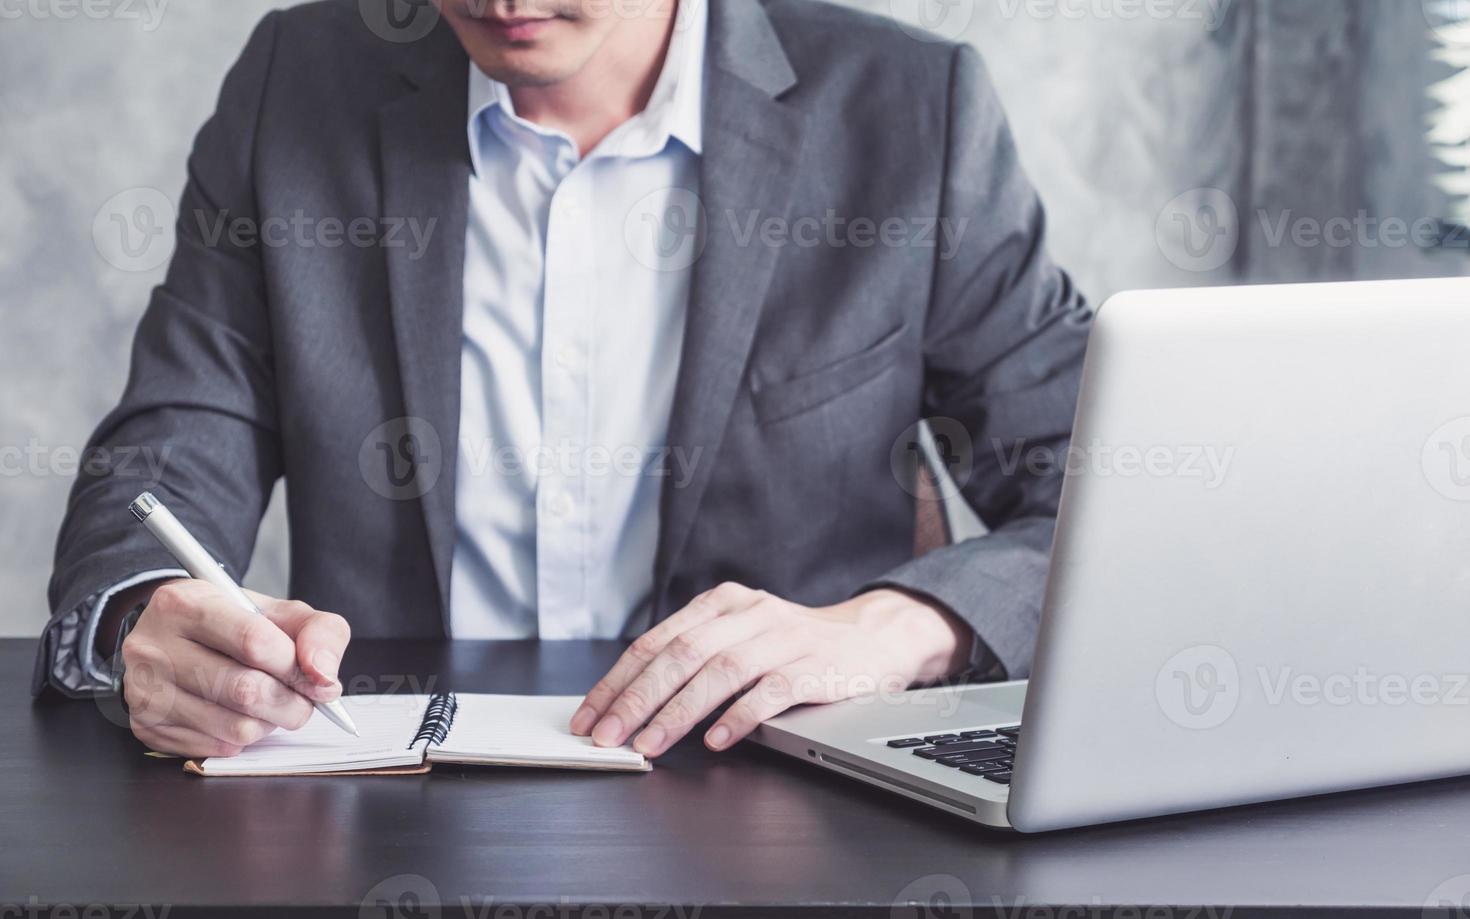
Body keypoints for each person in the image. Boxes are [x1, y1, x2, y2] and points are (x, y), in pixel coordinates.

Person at [38, 0, 1091, 761]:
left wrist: (895, 626)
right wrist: (143, 611)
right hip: (388, 808)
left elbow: (1110, 499)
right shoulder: (295, 79)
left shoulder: (909, 112)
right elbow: (170, 446)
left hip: (787, 812)